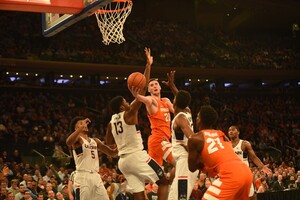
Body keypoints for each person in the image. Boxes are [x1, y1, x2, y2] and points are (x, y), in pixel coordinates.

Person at [106, 48, 169, 200]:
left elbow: (109, 143)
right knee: (164, 181)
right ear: (122, 107)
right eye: (125, 102)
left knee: (139, 192)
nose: (128, 102)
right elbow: (142, 87)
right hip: (136, 156)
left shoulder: (111, 122)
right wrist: (148, 65)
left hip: (123, 162)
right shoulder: (129, 113)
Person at [187, 105, 253, 200]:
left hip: (230, 175)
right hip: (245, 172)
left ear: (200, 119)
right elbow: (227, 148)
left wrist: (191, 152)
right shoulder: (221, 134)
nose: (196, 119)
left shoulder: (194, 139)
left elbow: (192, 168)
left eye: (197, 117)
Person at [133, 70, 178, 167]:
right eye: (151, 85)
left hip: (160, 141)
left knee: (156, 177)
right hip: (159, 140)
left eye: (156, 84)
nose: (154, 86)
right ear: (148, 90)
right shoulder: (151, 99)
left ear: (160, 87)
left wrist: (172, 86)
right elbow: (146, 100)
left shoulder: (166, 100)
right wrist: (138, 96)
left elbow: (178, 109)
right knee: (179, 162)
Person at [66, 117, 118, 200]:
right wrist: (80, 128)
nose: (85, 124)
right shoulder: (78, 140)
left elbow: (112, 153)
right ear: (76, 128)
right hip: (82, 176)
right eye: (81, 123)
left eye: (85, 123)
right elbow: (68, 142)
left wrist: (122, 145)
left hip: (96, 176)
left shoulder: (95, 141)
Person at [168, 90, 198, 200]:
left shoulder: (180, 119)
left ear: (174, 103)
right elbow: (182, 99)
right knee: (173, 196)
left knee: (181, 196)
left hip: (185, 159)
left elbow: (194, 138)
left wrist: (188, 147)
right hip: (182, 160)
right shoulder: (187, 112)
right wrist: (172, 86)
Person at [228, 125, 272, 198]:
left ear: (238, 132)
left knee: (251, 196)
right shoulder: (226, 145)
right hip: (232, 174)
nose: (230, 132)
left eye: (233, 130)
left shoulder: (244, 144)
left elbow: (254, 158)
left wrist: (262, 167)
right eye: (229, 130)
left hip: (244, 173)